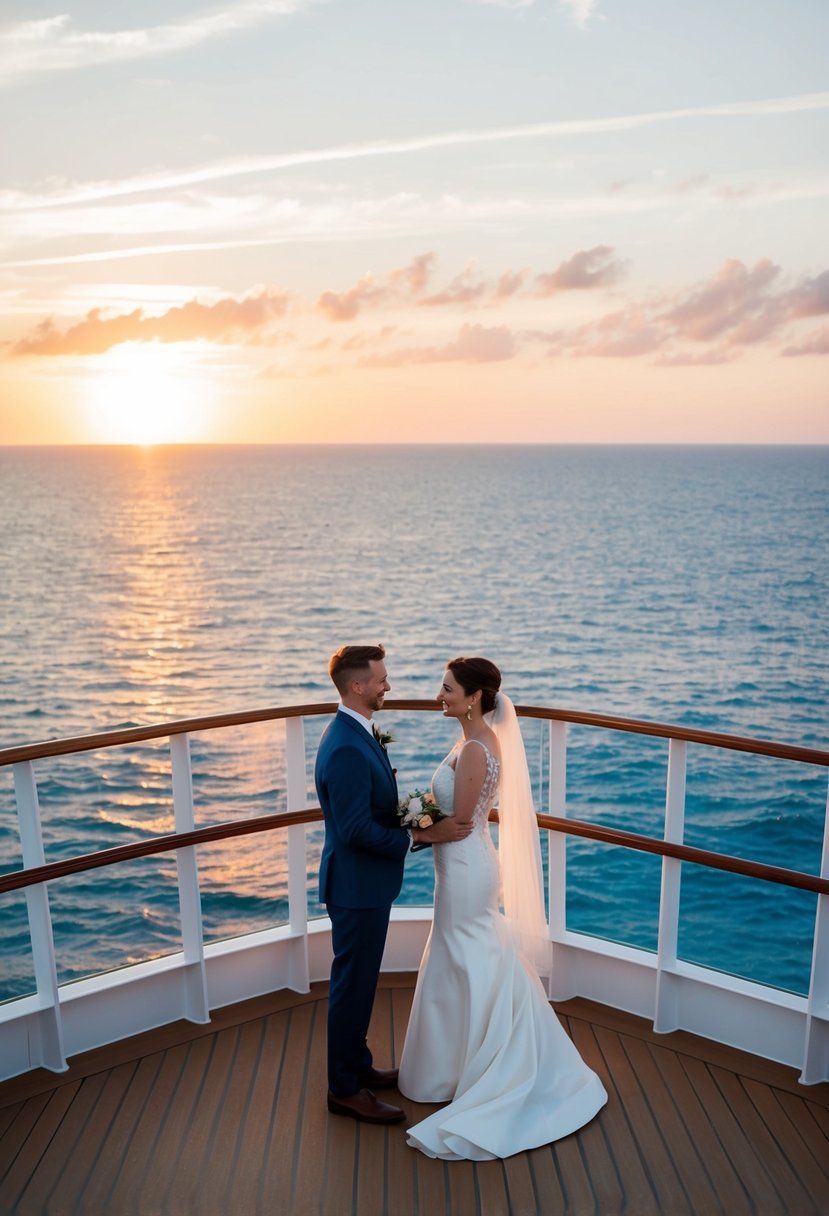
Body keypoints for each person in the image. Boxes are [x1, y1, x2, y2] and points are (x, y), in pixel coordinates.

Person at [398, 656, 608, 1159]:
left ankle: (482, 1066)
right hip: (461, 868)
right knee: (463, 957)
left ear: (473, 697)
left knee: (468, 956)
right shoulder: (471, 740)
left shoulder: (475, 749)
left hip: (467, 869)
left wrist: (409, 826)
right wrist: (423, 820)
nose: (439, 695)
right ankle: (453, 1066)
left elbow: (462, 821)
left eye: (447, 689)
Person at [315, 644, 472, 1125]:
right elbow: (356, 830)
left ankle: (358, 1065)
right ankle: (343, 1089)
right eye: (381, 678)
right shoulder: (344, 746)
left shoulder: (355, 731)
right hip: (356, 887)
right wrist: (421, 834)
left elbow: (367, 811)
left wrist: (413, 812)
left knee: (360, 985)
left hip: (366, 884)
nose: (389, 685)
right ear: (357, 686)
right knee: (352, 987)